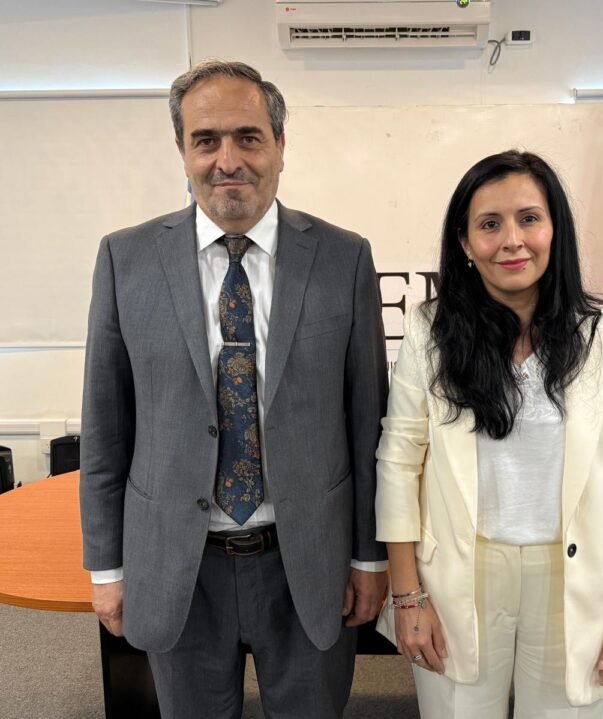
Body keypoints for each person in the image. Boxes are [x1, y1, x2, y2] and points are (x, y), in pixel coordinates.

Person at [80, 59, 389, 719]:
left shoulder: (344, 258)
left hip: (307, 560)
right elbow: (106, 431)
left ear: (280, 145)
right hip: (178, 564)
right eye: (206, 140)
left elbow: (368, 423)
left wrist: (369, 556)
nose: (228, 160)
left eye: (249, 137)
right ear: (182, 150)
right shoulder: (124, 259)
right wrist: (106, 569)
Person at [375, 150, 603, 718]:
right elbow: (399, 463)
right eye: (489, 224)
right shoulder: (430, 331)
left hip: (575, 576)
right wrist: (407, 596)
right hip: (460, 576)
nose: (512, 240)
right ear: (464, 242)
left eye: (529, 218)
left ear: (555, 228)